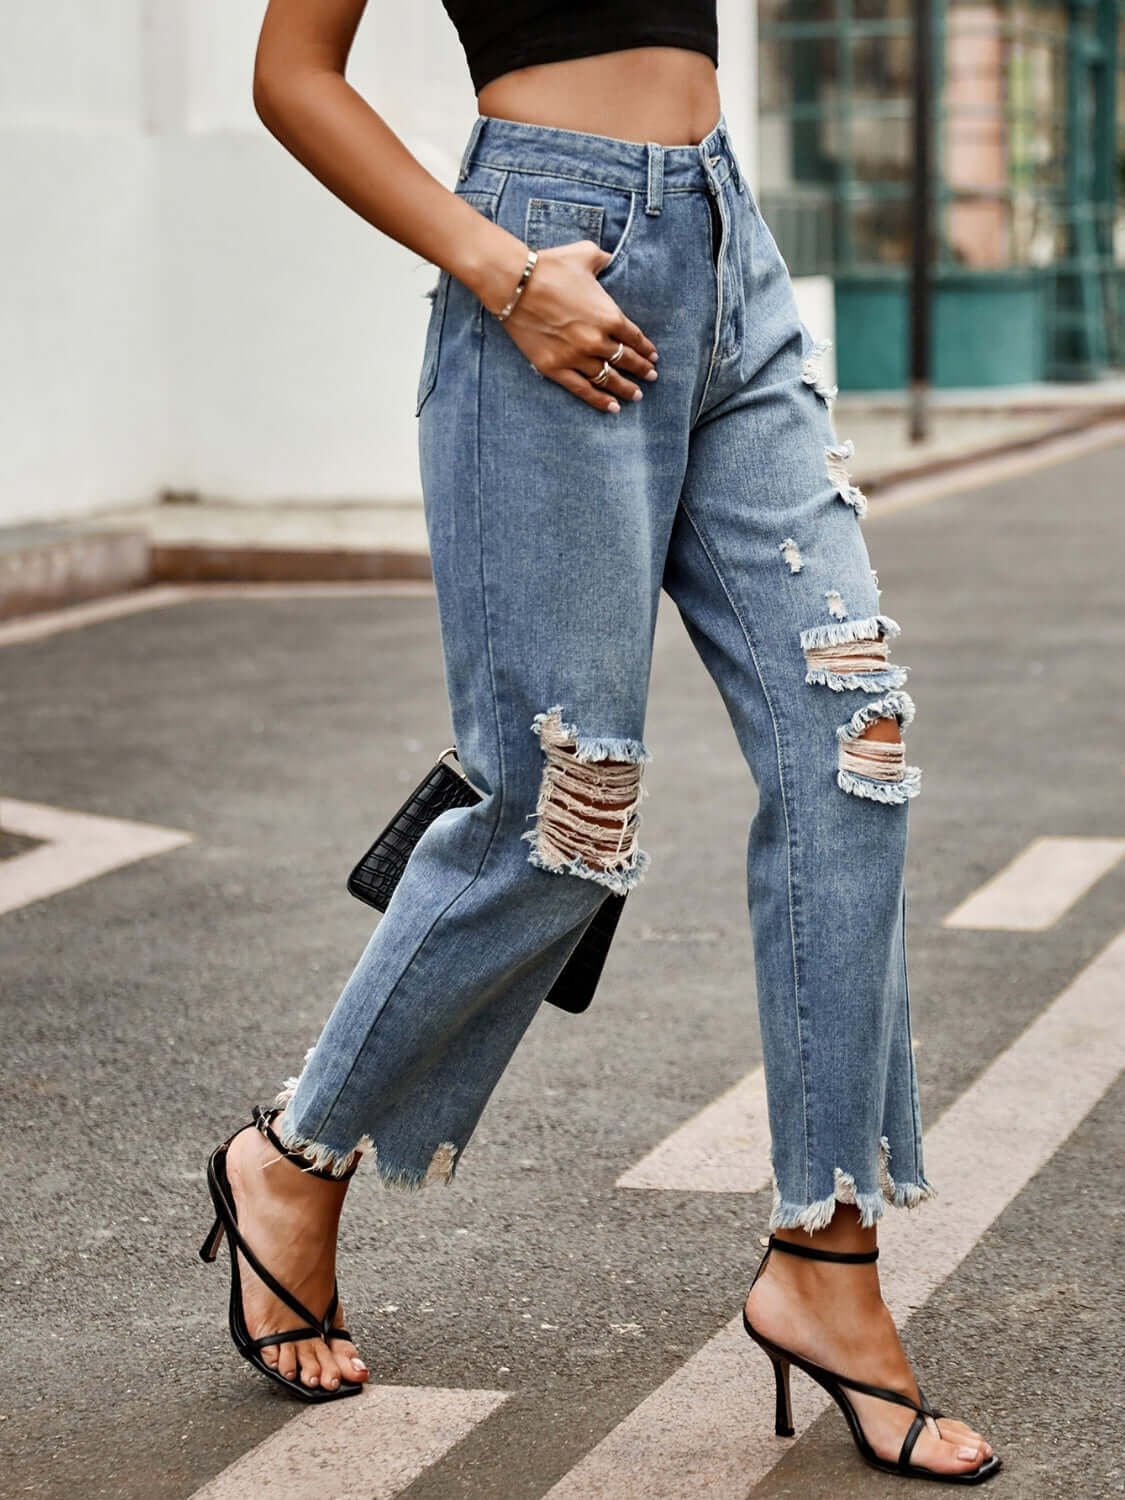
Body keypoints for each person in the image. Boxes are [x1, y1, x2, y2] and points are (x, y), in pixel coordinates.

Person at [200, 0, 999, 1484]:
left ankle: (826, 1256)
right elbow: (289, 76)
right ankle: (294, 1156)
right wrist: (502, 274)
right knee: (563, 809)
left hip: (724, 242)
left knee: (856, 743)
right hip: (544, 257)